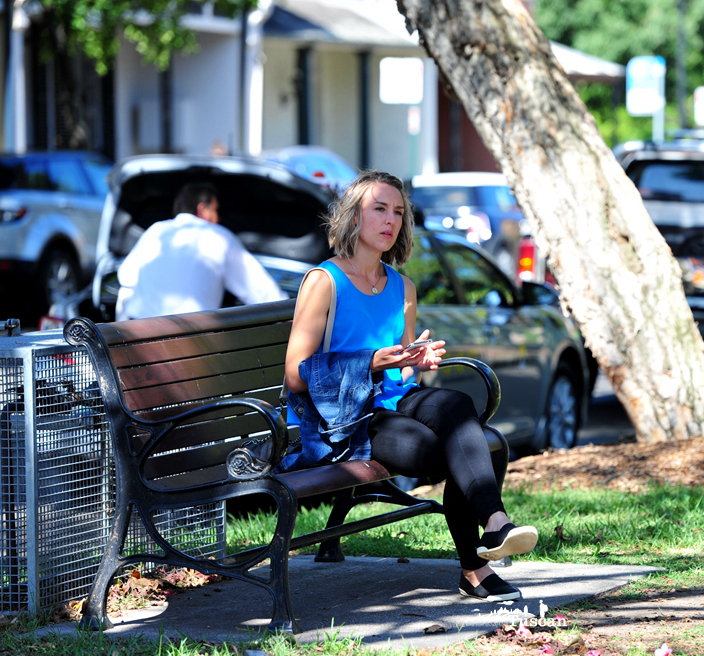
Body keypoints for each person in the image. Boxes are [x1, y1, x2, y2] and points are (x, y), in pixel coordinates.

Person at [283, 169, 537, 602]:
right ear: (353, 217)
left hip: (393, 400)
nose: (391, 220)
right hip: (347, 418)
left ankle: (495, 525)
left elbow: (403, 376)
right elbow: (295, 372)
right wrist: (371, 362)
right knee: (463, 445)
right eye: (379, 208)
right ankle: (474, 568)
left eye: (398, 211)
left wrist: (414, 361)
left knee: (460, 407)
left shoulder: (403, 288)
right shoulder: (324, 281)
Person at [115, 182, 286, 321]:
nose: (218, 217)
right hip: (191, 342)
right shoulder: (219, 237)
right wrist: (291, 312)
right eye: (215, 210)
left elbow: (126, 276)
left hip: (137, 334)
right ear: (203, 209)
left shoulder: (156, 230)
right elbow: (262, 291)